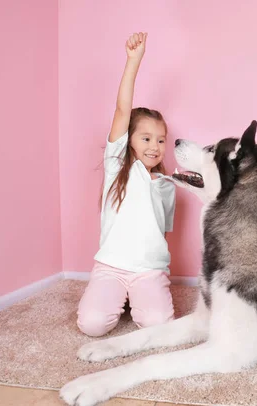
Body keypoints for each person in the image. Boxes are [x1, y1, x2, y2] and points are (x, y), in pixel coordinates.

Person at [77, 32, 176, 336]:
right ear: (129, 140)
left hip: (149, 269)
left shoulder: (166, 184)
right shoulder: (119, 165)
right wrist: (134, 61)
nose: (154, 146)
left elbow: (163, 230)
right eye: (146, 138)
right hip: (112, 267)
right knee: (92, 325)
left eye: (161, 140)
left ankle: (140, 297)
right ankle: (117, 295)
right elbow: (123, 110)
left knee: (158, 326)